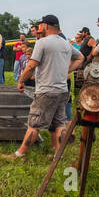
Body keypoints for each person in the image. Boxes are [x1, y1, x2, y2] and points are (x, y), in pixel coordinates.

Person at [10, 14, 82, 159]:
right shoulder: (65, 43)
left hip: (46, 91)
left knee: (35, 123)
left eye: (41, 24)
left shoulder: (42, 43)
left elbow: (31, 65)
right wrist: (65, 71)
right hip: (62, 90)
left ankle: (20, 154)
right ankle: (59, 155)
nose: (39, 27)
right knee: (60, 123)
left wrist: (21, 81)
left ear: (46, 26)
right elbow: (81, 58)